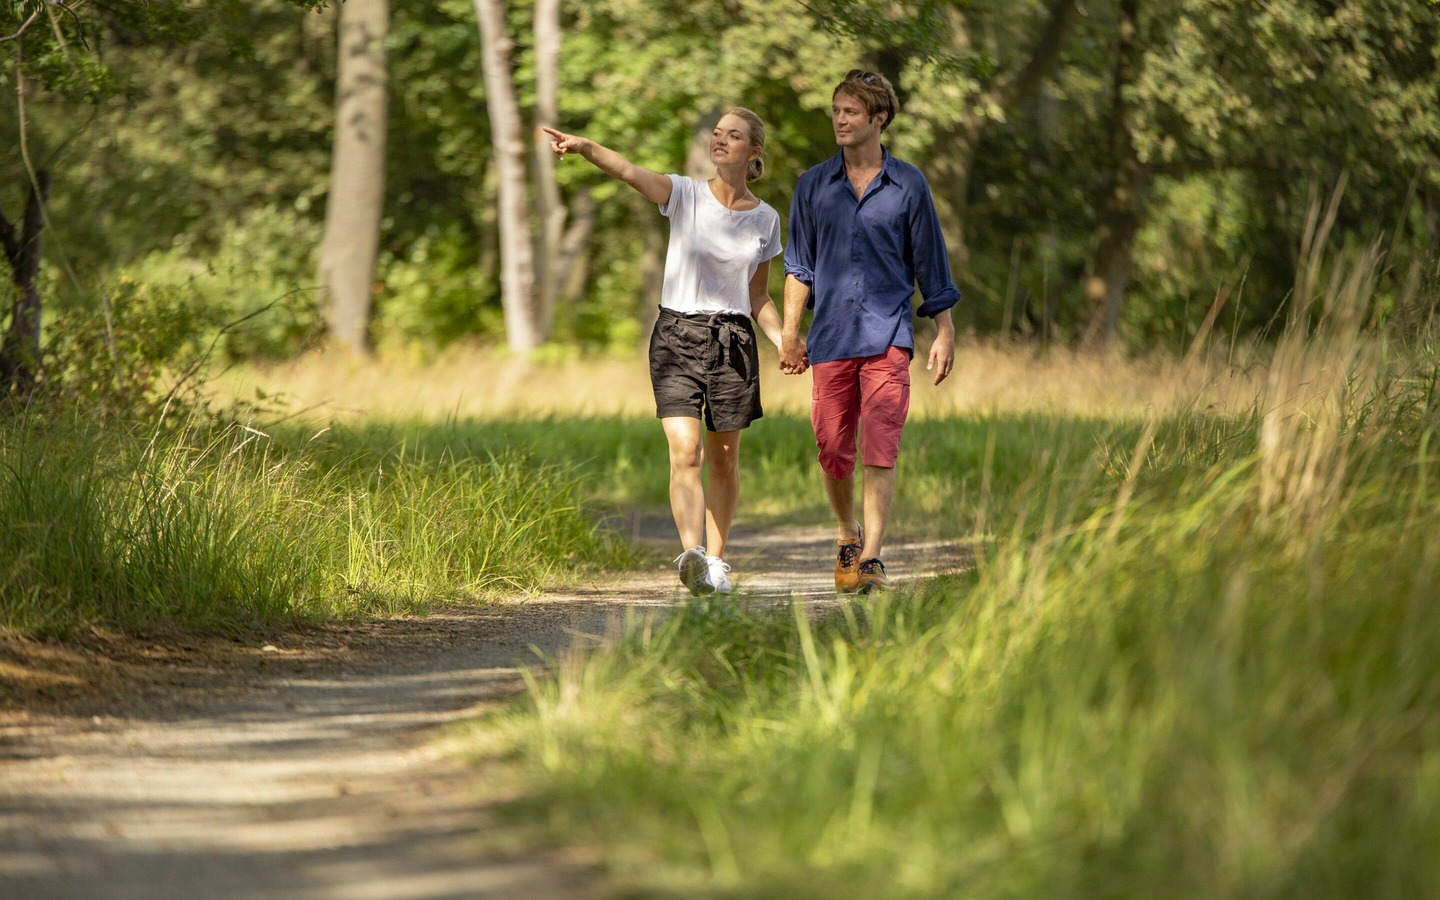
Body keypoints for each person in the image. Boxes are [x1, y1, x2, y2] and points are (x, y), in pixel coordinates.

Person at [543, 109, 790, 596]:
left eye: (733, 135)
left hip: (734, 342)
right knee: (685, 449)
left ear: (754, 151)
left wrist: (783, 340)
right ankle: (692, 555)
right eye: (716, 133)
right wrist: (587, 148)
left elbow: (758, 295)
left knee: (724, 458)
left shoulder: (766, 219)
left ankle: (716, 563)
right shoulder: (684, 194)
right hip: (677, 335)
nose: (720, 140)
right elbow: (628, 171)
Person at [779, 69, 961, 594]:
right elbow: (799, 266)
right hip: (831, 336)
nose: (839, 120)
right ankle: (847, 534)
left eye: (851, 112)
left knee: (881, 444)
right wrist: (790, 334)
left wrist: (944, 330)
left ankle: (873, 558)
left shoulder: (909, 184)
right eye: (836, 110)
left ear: (879, 118)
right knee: (833, 447)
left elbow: (931, 263)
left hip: (889, 335)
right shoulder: (813, 185)